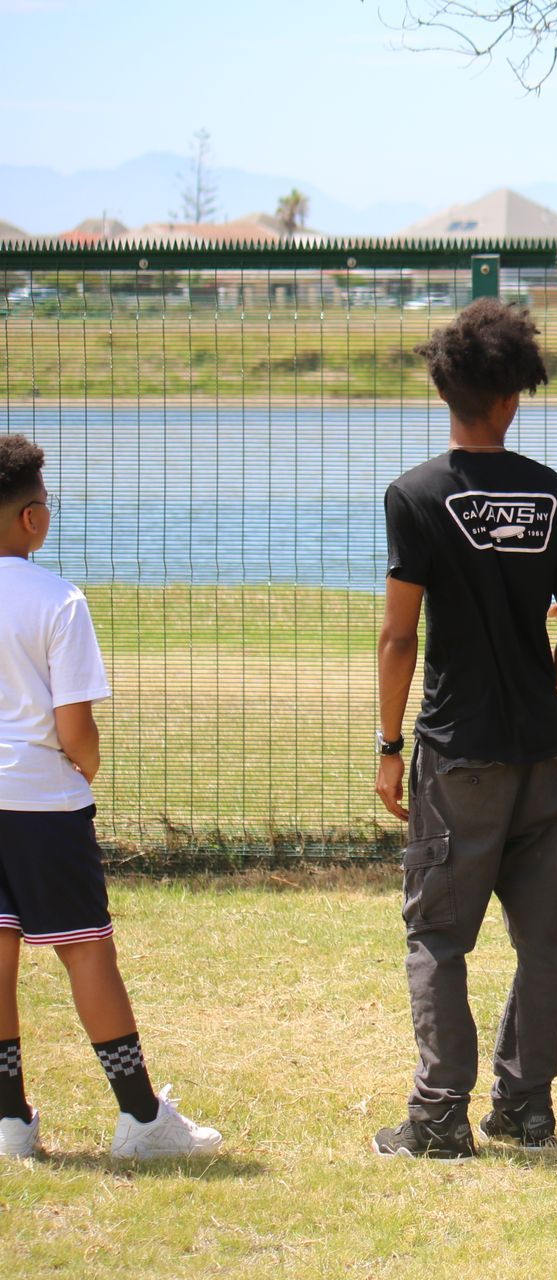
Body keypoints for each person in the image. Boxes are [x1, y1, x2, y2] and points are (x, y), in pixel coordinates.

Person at [374, 299, 557, 1158]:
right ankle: (527, 1111)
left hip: (457, 754)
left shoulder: (415, 496)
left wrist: (391, 745)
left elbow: (401, 635)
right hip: (544, 754)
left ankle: (437, 1120)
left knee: (438, 935)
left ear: (447, 395)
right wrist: (537, 687)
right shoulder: (551, 491)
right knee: (540, 939)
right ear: (511, 400)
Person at [0, 435, 222, 1162]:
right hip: (44, 807)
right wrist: (83, 773)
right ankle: (140, 1120)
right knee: (88, 955)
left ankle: (9, 1124)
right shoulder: (58, 600)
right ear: (33, 518)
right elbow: (76, 730)